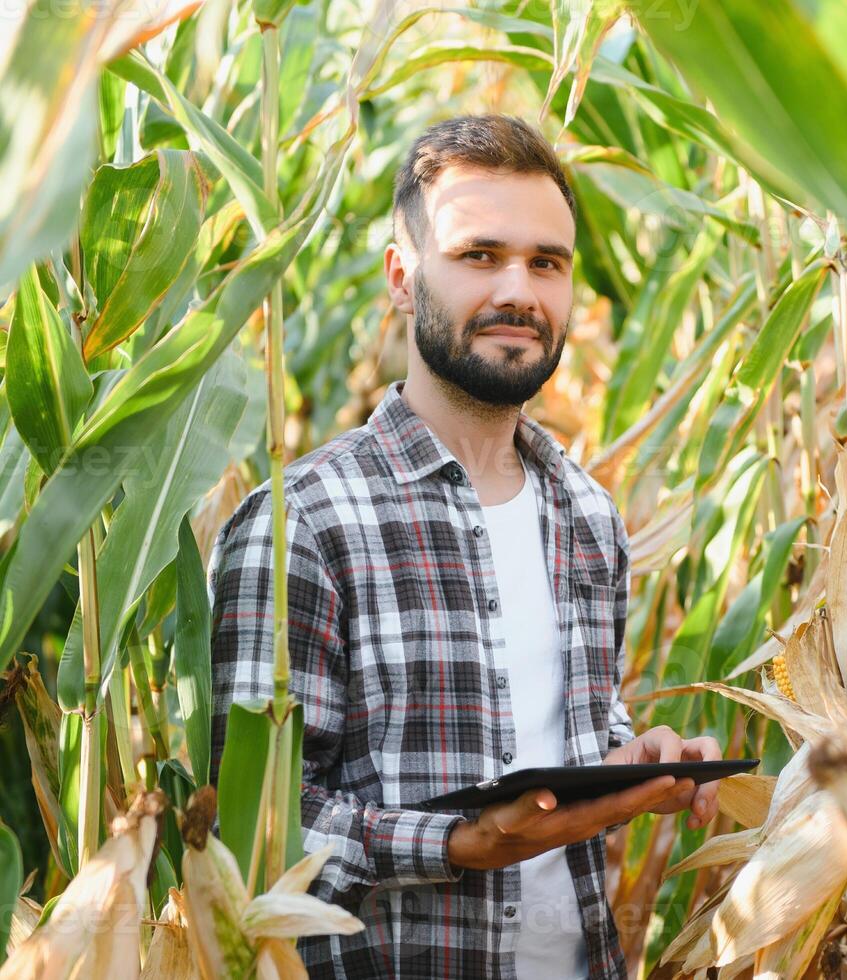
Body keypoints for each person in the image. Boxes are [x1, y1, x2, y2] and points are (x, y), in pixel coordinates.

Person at [207, 113, 722, 979]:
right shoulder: (305, 523)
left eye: (545, 263)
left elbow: (568, 732)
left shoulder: (587, 516)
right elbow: (249, 827)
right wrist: (460, 842)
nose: (518, 290)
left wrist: (631, 765)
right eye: (479, 255)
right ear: (402, 278)